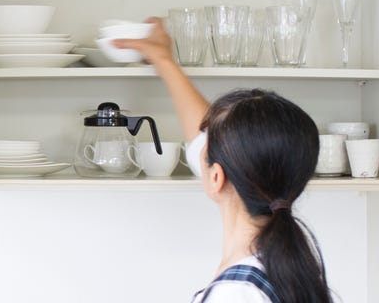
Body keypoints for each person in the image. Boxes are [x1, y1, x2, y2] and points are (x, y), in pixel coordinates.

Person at [113, 18, 332, 303]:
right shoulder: (292, 266)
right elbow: (211, 146)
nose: (200, 144)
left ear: (217, 178)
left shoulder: (236, 294)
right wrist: (163, 60)